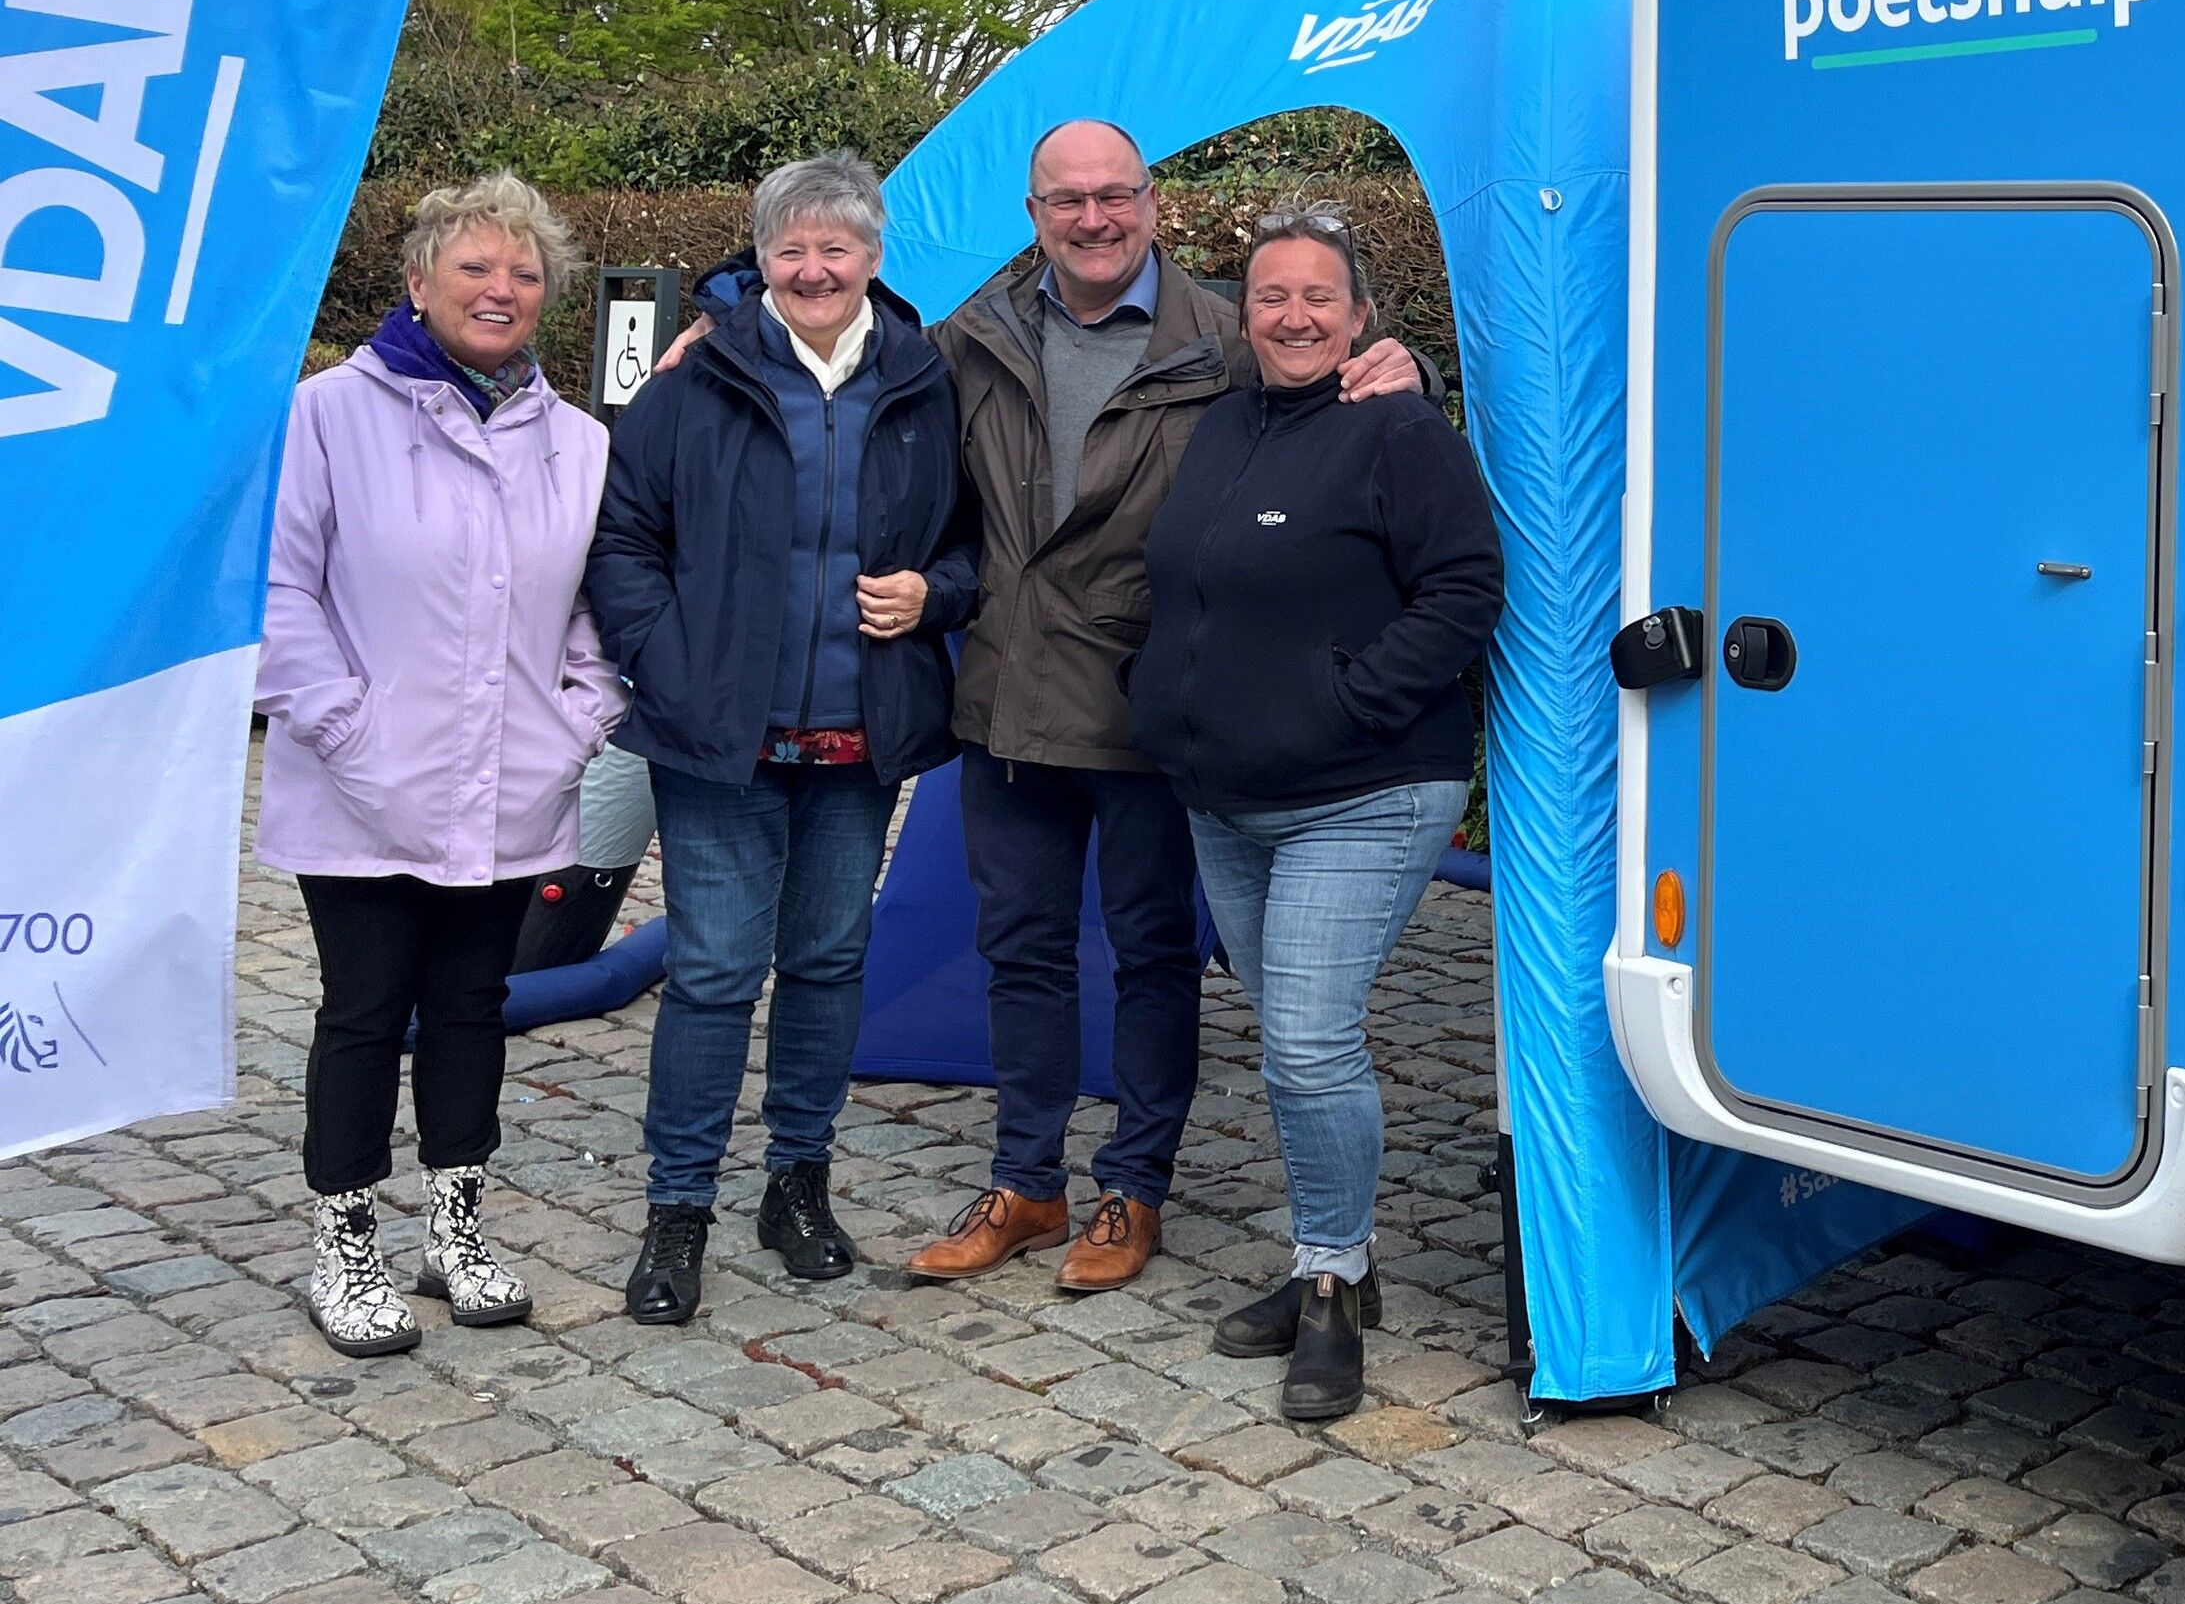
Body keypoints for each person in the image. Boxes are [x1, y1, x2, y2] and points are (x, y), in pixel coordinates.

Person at [904, 119, 1421, 1294]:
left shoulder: (1226, 335)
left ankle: (1133, 1187)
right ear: (1033, 215)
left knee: (1152, 956)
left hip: (1157, 700)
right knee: (1021, 952)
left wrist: (1413, 373)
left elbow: (1337, 387)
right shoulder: (970, 338)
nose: (1094, 219)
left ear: (1152, 202)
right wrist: (717, 331)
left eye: (1115, 196)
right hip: (1009, 696)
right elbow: (844, 360)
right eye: (1068, 200)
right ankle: (1026, 1182)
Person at [588, 152, 977, 1322]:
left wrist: (937, 596)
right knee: (712, 973)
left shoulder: (925, 384)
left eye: (835, 248)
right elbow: (622, 540)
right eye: (790, 249)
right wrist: (670, 662)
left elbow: (974, 541)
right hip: (719, 740)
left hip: (861, 734)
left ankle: (798, 1184)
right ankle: (678, 1209)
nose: (813, 269)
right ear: (759, 260)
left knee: (826, 963)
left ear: (874, 257)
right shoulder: (690, 383)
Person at [1132, 209, 1504, 1418]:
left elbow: (1465, 589)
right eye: (1271, 296)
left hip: (1362, 791)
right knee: (1295, 1042)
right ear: (1243, 314)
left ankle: (1333, 1281)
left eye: (1318, 297)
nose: (1294, 316)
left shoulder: (1399, 428)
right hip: (1225, 797)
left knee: (1306, 1040)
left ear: (1360, 316)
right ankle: (1329, 1257)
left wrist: (1344, 703)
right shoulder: (1225, 423)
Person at [256, 173, 621, 1355]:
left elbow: (596, 610)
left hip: (512, 784)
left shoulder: (578, 444)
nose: (501, 288)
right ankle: (344, 1243)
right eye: (475, 266)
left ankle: (455, 1229)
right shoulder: (327, 414)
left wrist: (577, 721)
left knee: (473, 1007)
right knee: (365, 1012)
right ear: (418, 283)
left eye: (525, 272)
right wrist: (346, 730)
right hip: (360, 788)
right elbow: (277, 592)